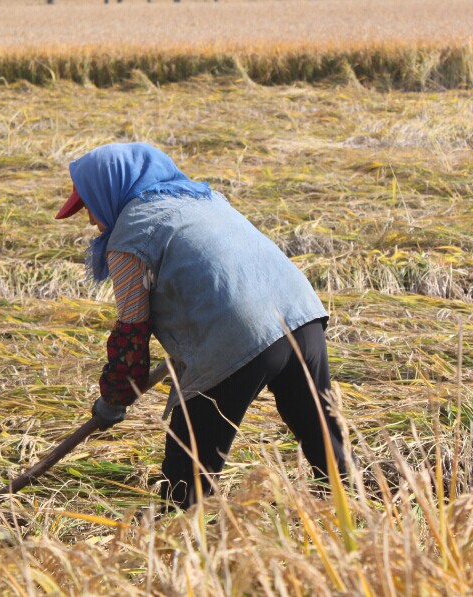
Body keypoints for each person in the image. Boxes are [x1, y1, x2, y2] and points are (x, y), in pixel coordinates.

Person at [56, 142, 347, 510]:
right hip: (302, 315)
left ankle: (177, 552)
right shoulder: (206, 199)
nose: (90, 220)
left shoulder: (129, 237)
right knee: (324, 439)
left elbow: (132, 336)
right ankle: (358, 521)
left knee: (187, 481)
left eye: (89, 206)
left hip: (235, 338)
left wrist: (114, 399)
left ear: (109, 191)